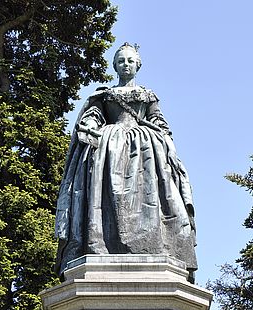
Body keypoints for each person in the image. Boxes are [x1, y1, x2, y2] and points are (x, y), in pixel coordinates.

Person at [55, 42, 197, 282]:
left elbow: (159, 122)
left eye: (130, 60)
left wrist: (167, 144)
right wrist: (89, 125)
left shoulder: (148, 95)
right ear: (114, 66)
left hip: (146, 152)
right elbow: (93, 116)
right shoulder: (104, 95)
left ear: (138, 65)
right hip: (109, 149)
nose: (126, 64)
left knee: (153, 197)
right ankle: (102, 241)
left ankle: (153, 242)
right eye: (121, 61)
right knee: (109, 194)